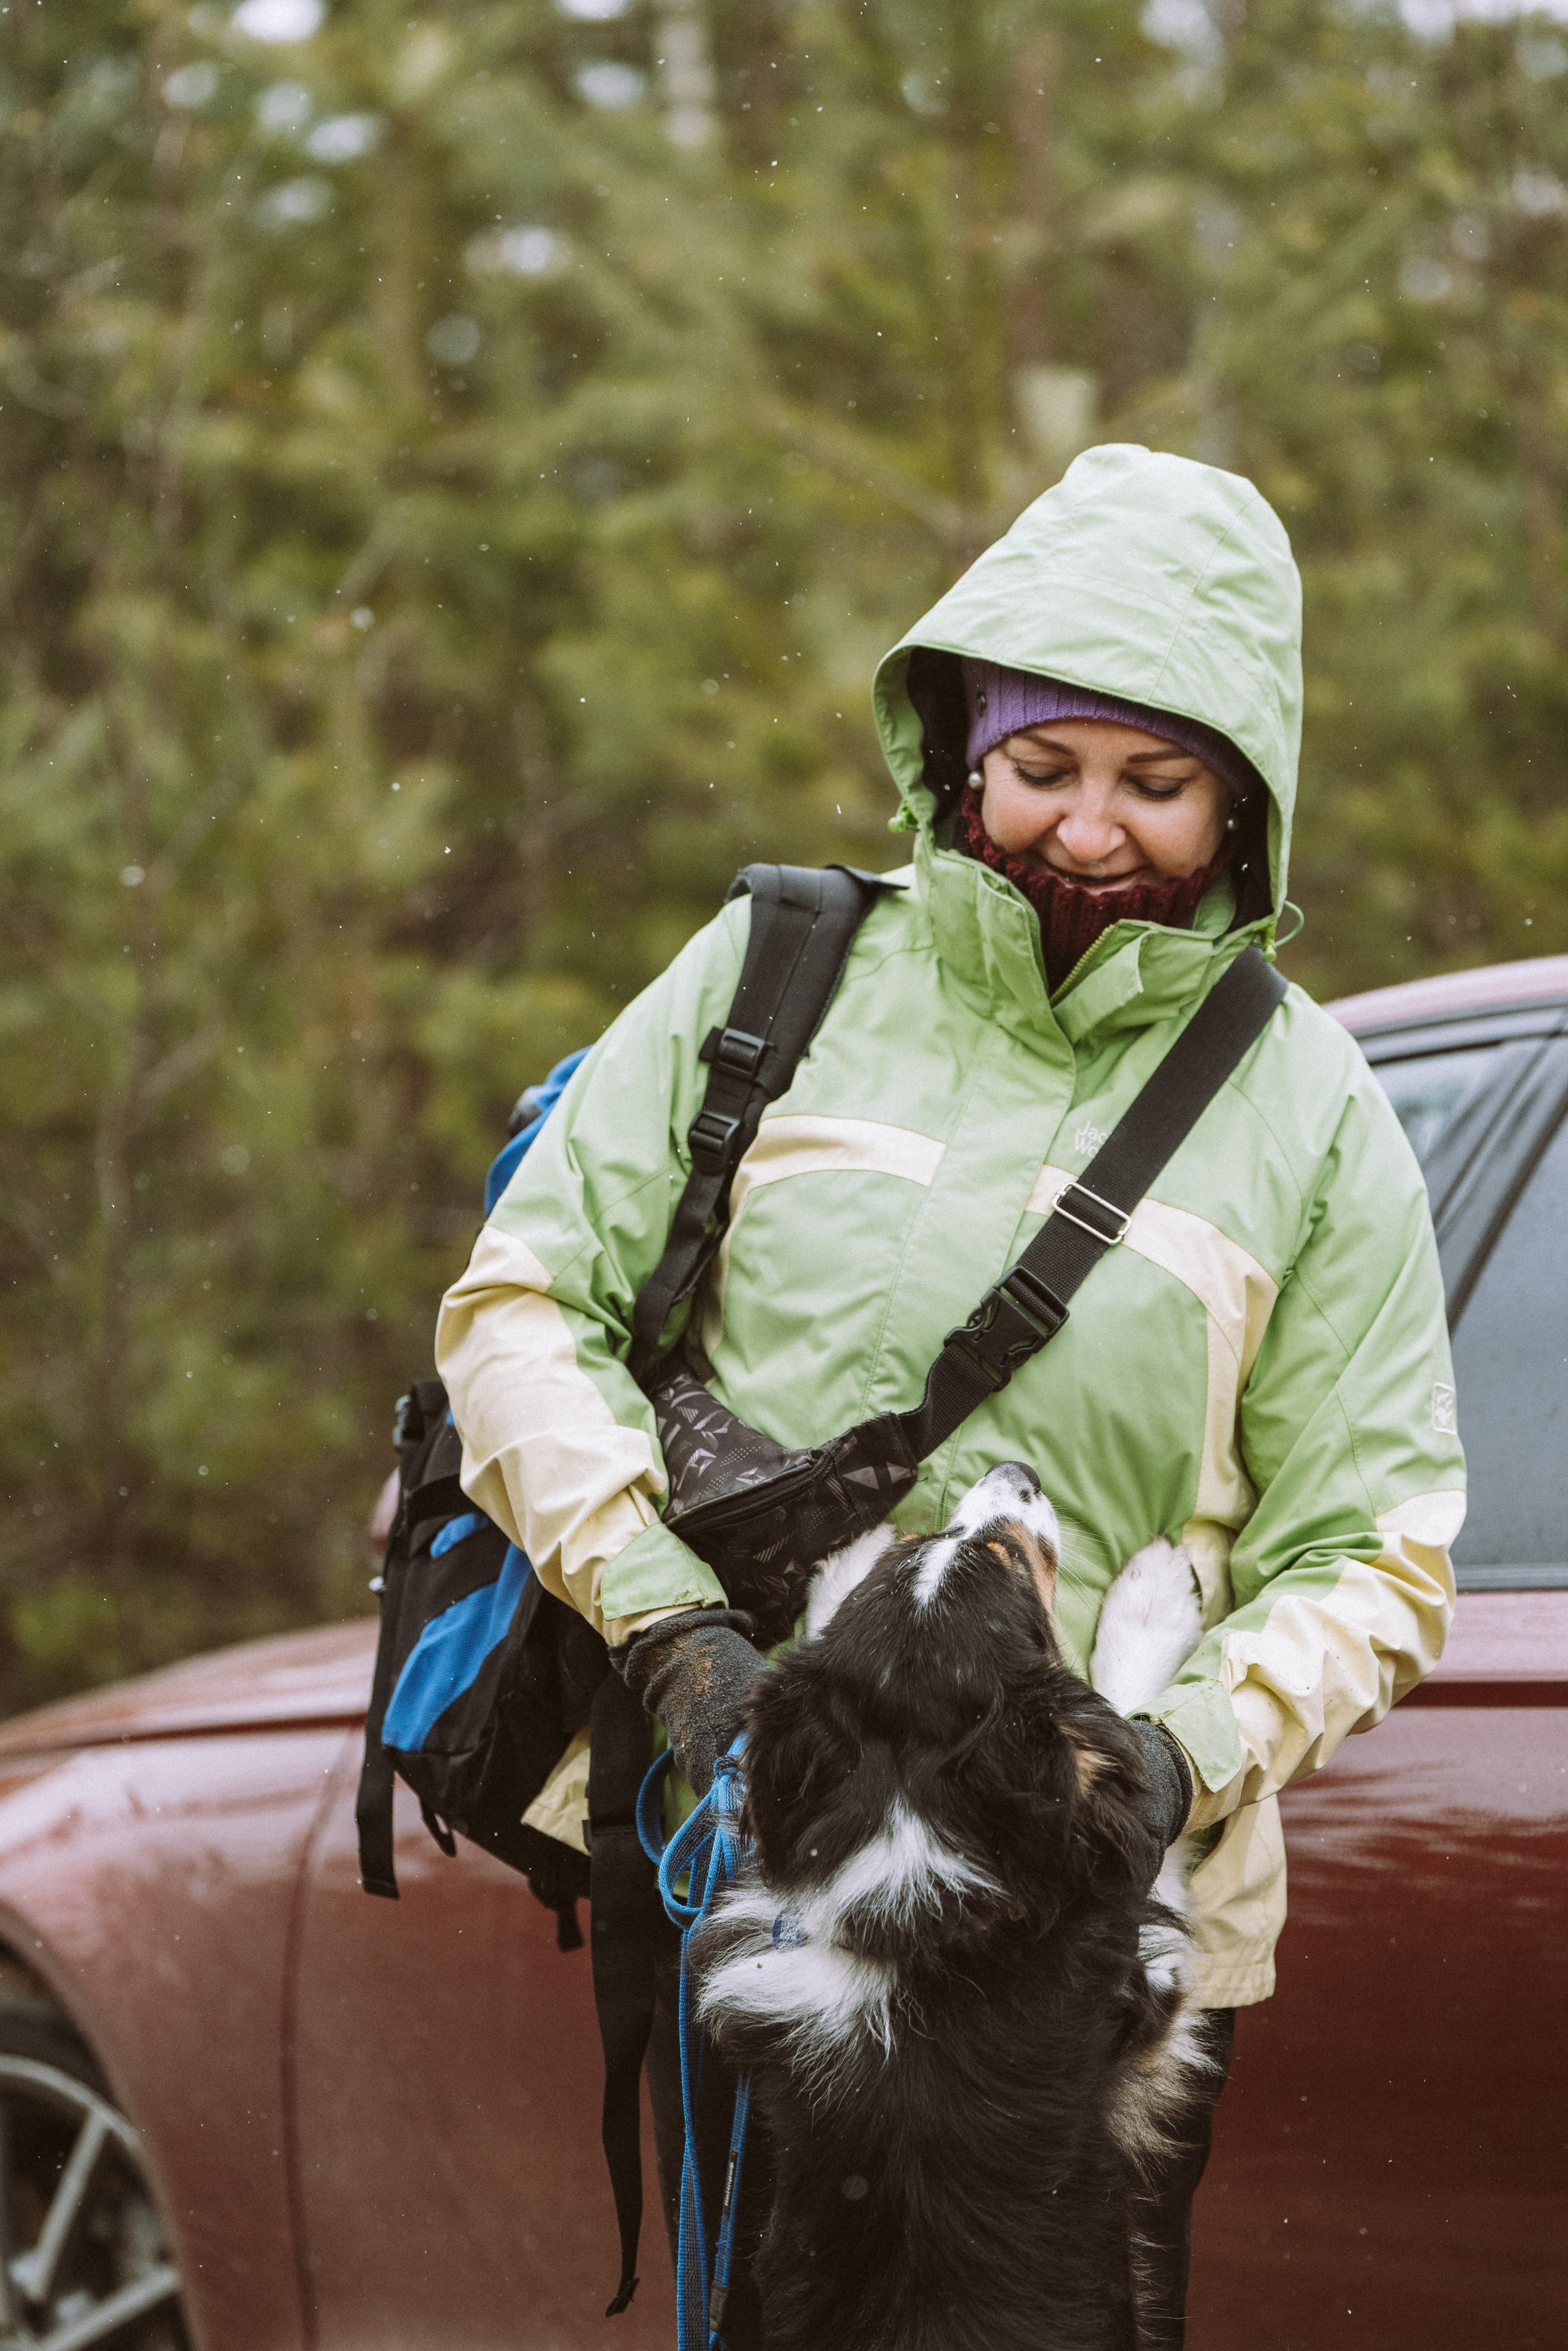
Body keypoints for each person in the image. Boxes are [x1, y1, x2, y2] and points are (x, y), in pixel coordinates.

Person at [436, 443, 1464, 2343]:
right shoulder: (780, 968)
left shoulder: (1311, 1108)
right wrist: (669, 1637)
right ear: (961, 750)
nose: (1090, 831)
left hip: (1100, 1925)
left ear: (1244, 803)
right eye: (1044, 769)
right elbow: (522, 1311)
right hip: (769, 1857)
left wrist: (1177, 1760)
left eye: (1156, 786)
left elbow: (1378, 1543)